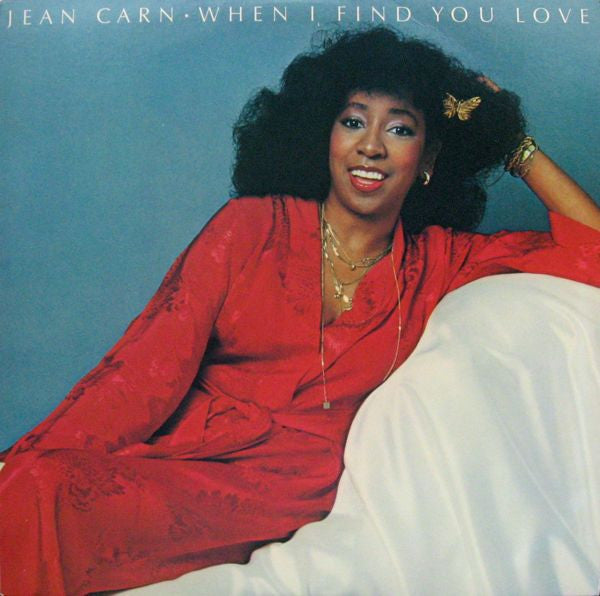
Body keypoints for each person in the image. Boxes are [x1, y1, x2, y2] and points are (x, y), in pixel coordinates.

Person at [1, 26, 599, 595]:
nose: (371, 146)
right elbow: (140, 374)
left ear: (428, 160)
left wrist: (514, 145)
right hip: (181, 456)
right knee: (38, 487)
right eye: (353, 122)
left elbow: (592, 253)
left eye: (399, 129)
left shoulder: (439, 262)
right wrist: (28, 457)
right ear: (325, 137)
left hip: (290, 492)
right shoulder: (249, 227)